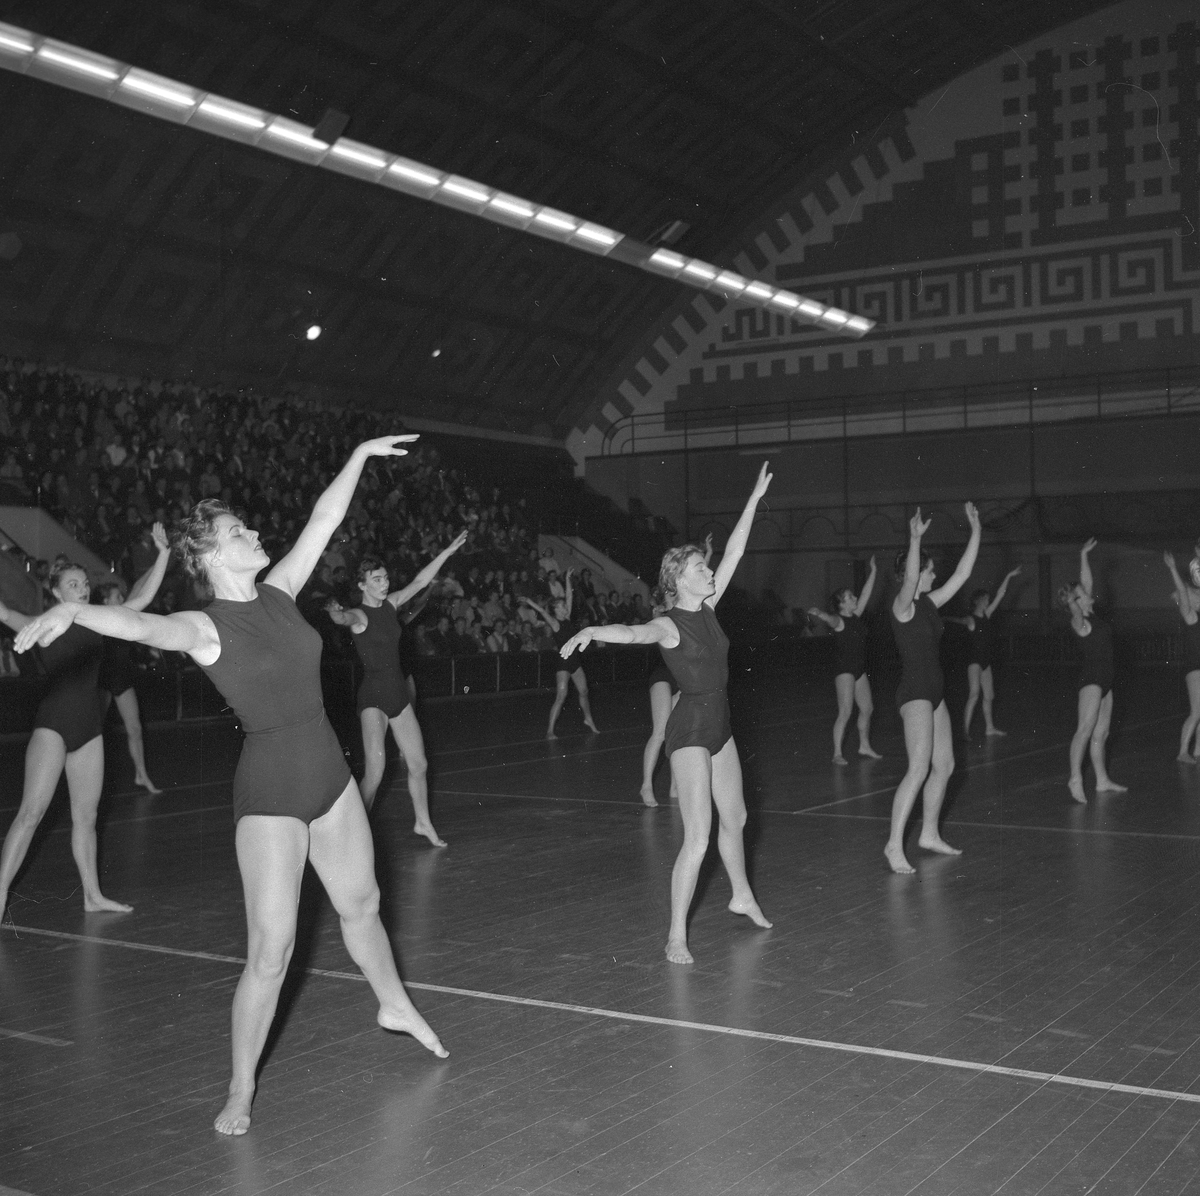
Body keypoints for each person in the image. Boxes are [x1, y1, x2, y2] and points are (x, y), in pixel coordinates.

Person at [14, 436, 447, 1135]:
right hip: (272, 795)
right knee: (271, 954)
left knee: (363, 903)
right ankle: (241, 1087)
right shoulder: (205, 627)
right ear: (213, 555)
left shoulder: (282, 590)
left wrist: (360, 455)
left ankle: (393, 1003)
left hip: (330, 778)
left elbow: (324, 518)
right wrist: (75, 612)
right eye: (238, 531)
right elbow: (140, 625)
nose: (253, 533)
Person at [561, 463, 774, 964]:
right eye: (700, 568)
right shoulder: (670, 624)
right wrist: (591, 631)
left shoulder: (710, 607)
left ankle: (741, 894)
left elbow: (735, 550)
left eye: (706, 568)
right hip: (691, 730)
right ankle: (676, 935)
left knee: (738, 817)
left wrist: (752, 500)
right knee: (698, 837)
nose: (709, 572)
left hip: (720, 725)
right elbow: (632, 632)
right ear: (678, 579)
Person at [0, 561, 155, 918]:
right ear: (55, 592)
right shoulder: (40, 624)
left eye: (85, 583)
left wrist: (162, 554)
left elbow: (141, 599)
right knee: (30, 814)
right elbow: (5, 612)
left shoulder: (97, 619)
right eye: (73, 584)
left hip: (89, 731)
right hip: (52, 728)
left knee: (86, 818)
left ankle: (92, 896)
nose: (83, 589)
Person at [325, 531, 466, 844]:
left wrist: (447, 552)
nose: (384, 583)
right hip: (373, 698)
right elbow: (344, 618)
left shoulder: (390, 604)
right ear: (362, 585)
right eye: (377, 579)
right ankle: (352, 834)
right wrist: (336, 614)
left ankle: (422, 823)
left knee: (419, 764)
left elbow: (419, 581)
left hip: (398, 695)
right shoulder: (360, 615)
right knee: (376, 772)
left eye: (386, 578)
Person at [885, 504, 982, 875]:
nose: (934, 574)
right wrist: (914, 540)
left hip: (935, 693)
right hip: (915, 693)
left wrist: (976, 530)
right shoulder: (903, 607)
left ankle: (928, 833)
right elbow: (910, 579)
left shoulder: (929, 603)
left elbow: (962, 573)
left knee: (945, 764)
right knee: (918, 768)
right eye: (930, 570)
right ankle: (894, 845)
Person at [95, 522, 173, 793]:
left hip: (121, 678)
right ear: (106, 601)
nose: (122, 598)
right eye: (117, 596)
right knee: (92, 733)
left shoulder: (123, 613)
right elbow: (139, 593)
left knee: (135, 728)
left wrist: (159, 558)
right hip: (101, 680)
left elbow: (139, 589)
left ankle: (141, 775)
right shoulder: (103, 618)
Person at [640, 536, 714, 806]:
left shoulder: (691, 603)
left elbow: (701, 576)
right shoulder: (661, 614)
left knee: (677, 731)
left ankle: (674, 785)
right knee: (660, 731)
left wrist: (708, 554)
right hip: (663, 674)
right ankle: (646, 785)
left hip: (684, 676)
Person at [1057, 538, 1126, 802]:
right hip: (1092, 681)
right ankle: (1074, 778)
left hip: (1106, 681)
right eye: (1082, 593)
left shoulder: (1092, 616)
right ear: (1076, 602)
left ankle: (1102, 781)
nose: (1088, 592)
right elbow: (1074, 606)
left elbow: (1086, 581)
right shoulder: (1079, 622)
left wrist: (1083, 555)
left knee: (1101, 734)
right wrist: (1072, 600)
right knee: (1085, 730)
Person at [806, 556, 881, 764]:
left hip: (858, 670)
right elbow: (831, 619)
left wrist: (873, 571)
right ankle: (837, 753)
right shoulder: (839, 621)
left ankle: (864, 746)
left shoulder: (855, 615)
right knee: (845, 712)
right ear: (842, 604)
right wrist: (820, 613)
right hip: (844, 670)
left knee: (867, 708)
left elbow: (865, 593)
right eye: (850, 597)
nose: (855, 598)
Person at [520, 569, 598, 739]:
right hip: (564, 663)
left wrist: (567, 579)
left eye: (564, 607)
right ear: (556, 610)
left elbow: (569, 596)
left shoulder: (567, 618)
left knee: (584, 691)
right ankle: (550, 731)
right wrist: (529, 601)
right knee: (561, 696)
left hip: (575, 661)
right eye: (562, 607)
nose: (565, 608)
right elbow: (543, 612)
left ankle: (588, 719)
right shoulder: (555, 623)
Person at [945, 568, 1021, 738]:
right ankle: (964, 731)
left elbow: (1000, 595)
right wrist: (944, 618)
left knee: (989, 696)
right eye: (986, 599)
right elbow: (959, 620)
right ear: (978, 601)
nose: (988, 601)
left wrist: (1008, 575)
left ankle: (989, 728)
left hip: (986, 662)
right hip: (974, 662)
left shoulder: (987, 614)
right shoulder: (971, 619)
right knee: (974, 694)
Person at [1165, 550, 1200, 762]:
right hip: (1195, 668)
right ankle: (1182, 752)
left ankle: (1197, 750)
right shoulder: (1190, 616)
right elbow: (1181, 591)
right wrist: (1172, 569)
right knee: (1196, 712)